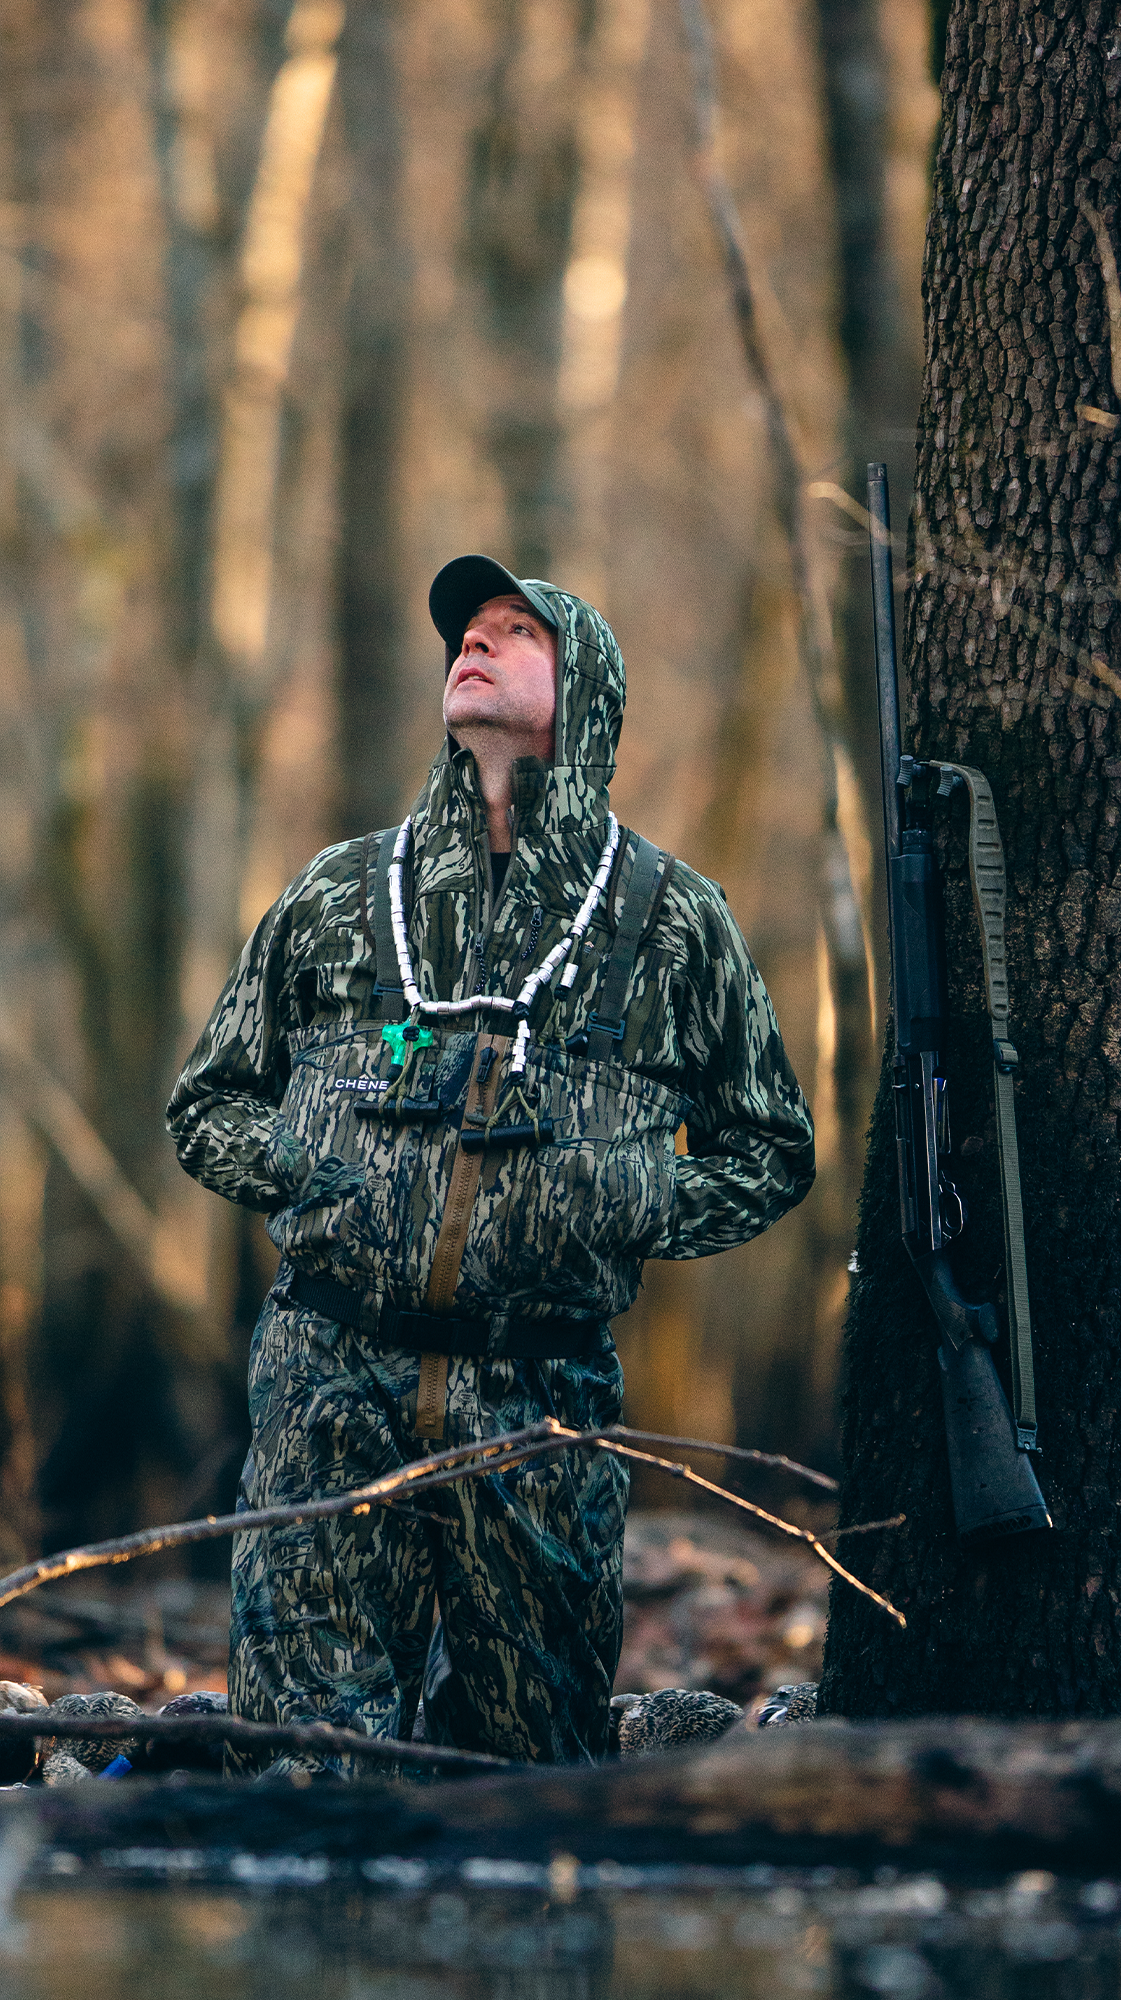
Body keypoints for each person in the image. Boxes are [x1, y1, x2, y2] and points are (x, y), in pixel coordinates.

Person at [167, 556, 815, 1772]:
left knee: (527, 1779)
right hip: (326, 1376)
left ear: (589, 697)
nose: (473, 645)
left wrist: (627, 1201)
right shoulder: (340, 893)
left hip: (539, 1400)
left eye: (515, 632)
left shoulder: (673, 919)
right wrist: (309, 1172)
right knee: (302, 1772)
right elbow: (206, 1103)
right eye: (465, 633)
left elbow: (771, 1147)